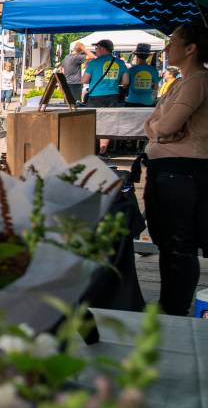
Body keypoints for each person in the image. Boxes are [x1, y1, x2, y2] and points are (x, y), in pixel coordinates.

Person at [141, 23, 208, 315]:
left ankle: (174, 309)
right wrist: (158, 130)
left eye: (173, 42)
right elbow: (153, 124)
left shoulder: (196, 81)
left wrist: (158, 130)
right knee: (169, 245)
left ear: (191, 49)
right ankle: (170, 306)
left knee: (178, 246)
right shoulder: (182, 81)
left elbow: (165, 125)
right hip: (169, 170)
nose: (167, 48)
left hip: (182, 173)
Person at [82, 37, 129, 154]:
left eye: (97, 48)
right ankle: (103, 149)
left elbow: (85, 80)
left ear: (103, 48)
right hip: (113, 96)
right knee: (108, 123)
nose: (95, 50)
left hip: (95, 96)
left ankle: (92, 150)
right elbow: (126, 82)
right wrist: (112, 82)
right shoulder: (120, 63)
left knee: (93, 123)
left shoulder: (94, 62)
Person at [126, 43, 159, 107]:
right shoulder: (153, 70)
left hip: (132, 100)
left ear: (137, 56)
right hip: (147, 101)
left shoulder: (131, 70)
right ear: (148, 56)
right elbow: (156, 87)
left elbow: (126, 83)